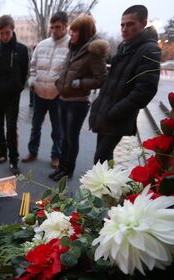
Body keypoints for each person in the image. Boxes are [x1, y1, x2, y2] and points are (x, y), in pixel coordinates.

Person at [88, 5, 161, 164]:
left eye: (130, 24)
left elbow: (145, 90)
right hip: (106, 113)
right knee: (103, 159)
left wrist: (115, 111)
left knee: (101, 160)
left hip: (117, 116)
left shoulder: (149, 50)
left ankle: (103, 188)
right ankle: (105, 188)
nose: (125, 28)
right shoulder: (125, 46)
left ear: (143, 23)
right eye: (122, 24)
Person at [50, 15, 108, 181]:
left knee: (71, 138)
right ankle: (61, 167)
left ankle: (68, 170)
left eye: (75, 31)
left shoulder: (92, 52)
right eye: (71, 30)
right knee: (64, 137)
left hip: (78, 103)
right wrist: (59, 82)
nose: (72, 34)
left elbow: (101, 78)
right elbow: (67, 69)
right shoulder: (73, 47)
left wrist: (79, 83)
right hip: (64, 98)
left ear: (83, 33)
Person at [22, 12, 70, 170]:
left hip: (57, 96)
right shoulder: (42, 45)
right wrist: (32, 82)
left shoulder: (71, 46)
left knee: (58, 129)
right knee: (35, 125)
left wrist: (62, 89)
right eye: (52, 27)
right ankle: (32, 151)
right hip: (39, 93)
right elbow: (33, 66)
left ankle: (56, 155)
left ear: (66, 26)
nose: (55, 30)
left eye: (58, 27)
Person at [0, 15, 29, 175]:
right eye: (2, 33)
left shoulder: (21, 50)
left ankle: (13, 160)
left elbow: (24, 72)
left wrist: (18, 87)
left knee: (11, 127)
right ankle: (2, 154)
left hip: (12, 96)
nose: (5, 36)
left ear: (13, 30)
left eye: (7, 33)